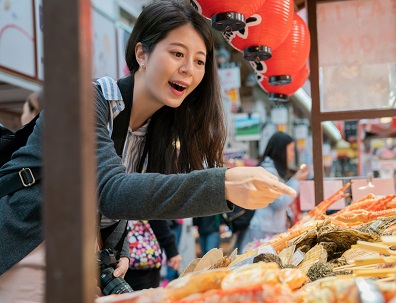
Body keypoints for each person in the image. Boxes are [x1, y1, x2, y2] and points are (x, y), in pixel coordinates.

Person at [0, 2, 295, 302]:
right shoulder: (87, 102)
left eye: (199, 61)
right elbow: (111, 190)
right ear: (141, 54)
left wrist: (117, 246)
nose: (188, 69)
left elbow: (113, 201)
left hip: (77, 262)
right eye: (177, 53)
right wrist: (223, 184)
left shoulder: (154, 130)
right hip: (26, 251)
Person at [239, 132, 309, 252]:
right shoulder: (269, 171)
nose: (292, 155)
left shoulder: (272, 170)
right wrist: (296, 181)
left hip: (268, 228)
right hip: (263, 230)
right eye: (291, 150)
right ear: (281, 150)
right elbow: (279, 203)